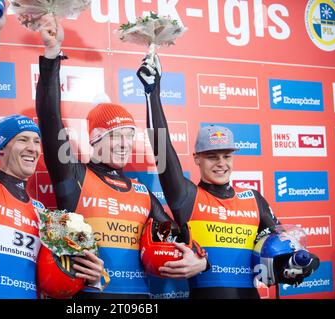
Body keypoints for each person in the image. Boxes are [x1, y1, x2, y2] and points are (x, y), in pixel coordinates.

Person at [34, 15, 208, 299]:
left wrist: (201, 260)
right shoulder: (74, 175)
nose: (125, 144)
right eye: (116, 135)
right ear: (95, 138)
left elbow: (177, 239)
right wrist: (52, 55)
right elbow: (50, 118)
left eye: (130, 136)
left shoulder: (141, 193)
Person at [137, 54, 320, 299]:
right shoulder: (187, 196)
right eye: (212, 156)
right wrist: (152, 93)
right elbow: (162, 150)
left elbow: (284, 250)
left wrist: (304, 264)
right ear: (197, 158)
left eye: (227, 156)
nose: (221, 164)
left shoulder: (253, 199)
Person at [0, 1, 103, 299]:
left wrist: (95, 273)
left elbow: (74, 272)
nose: (34, 148)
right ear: (2, 147)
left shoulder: (44, 216)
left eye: (37, 141)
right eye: (23, 139)